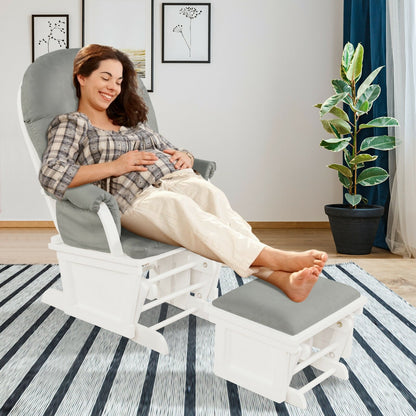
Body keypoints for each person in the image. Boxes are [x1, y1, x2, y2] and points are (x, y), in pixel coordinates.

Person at [39, 44, 328, 303]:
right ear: (82, 77)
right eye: (105, 78)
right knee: (179, 208)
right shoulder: (73, 124)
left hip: (176, 179)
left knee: (210, 196)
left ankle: (282, 279)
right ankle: (276, 258)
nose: (113, 87)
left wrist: (186, 156)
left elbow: (172, 148)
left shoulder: (131, 124)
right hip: (134, 197)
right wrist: (117, 166)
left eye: (118, 81)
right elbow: (52, 174)